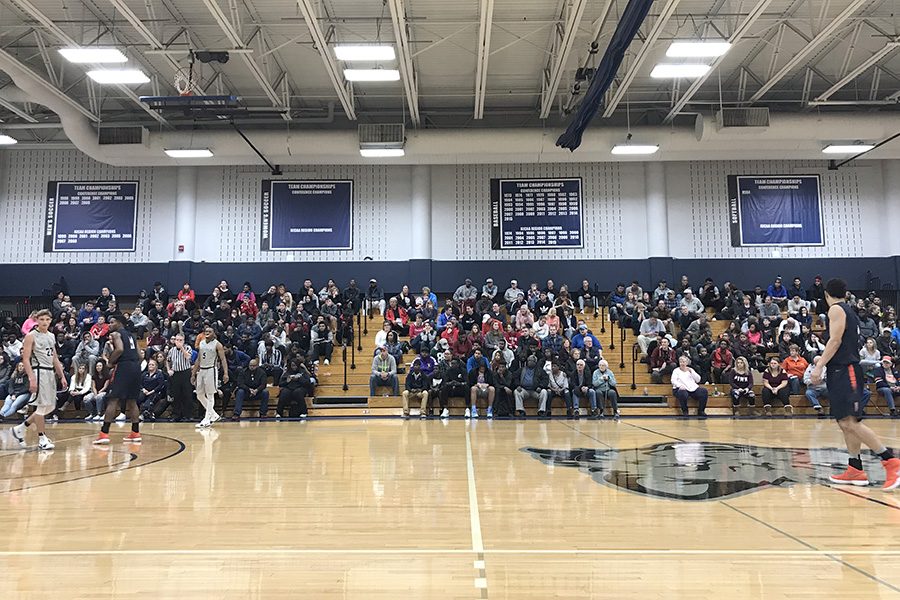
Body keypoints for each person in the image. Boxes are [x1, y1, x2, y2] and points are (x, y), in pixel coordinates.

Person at [812, 278, 900, 489]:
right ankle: (855, 468)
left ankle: (891, 462)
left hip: (846, 370)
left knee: (852, 423)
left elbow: (835, 340)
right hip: (840, 371)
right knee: (844, 423)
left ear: (826, 294)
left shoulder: (835, 310)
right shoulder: (847, 309)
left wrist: (819, 365)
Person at [10, 310, 67, 450]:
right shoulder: (31, 336)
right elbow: (25, 359)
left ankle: (21, 428)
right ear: (37, 320)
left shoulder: (51, 336)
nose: (45, 322)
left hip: (49, 372)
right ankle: (42, 438)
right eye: (42, 319)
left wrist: (62, 375)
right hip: (39, 371)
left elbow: (54, 357)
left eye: (47, 319)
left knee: (49, 406)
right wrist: (32, 378)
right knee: (41, 406)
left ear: (51, 320)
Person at [92, 315, 142, 445]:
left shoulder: (116, 334)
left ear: (119, 323)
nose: (109, 324)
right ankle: (135, 432)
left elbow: (119, 349)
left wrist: (110, 362)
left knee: (113, 399)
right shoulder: (131, 335)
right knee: (132, 400)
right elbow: (139, 354)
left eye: (112, 322)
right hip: (136, 366)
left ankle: (104, 433)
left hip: (124, 366)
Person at [191, 326, 229, 428]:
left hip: (211, 370)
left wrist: (225, 373)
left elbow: (223, 359)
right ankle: (214, 415)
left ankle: (207, 419)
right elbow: (198, 359)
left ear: (213, 333)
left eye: (209, 331)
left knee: (210, 395)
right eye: (206, 331)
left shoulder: (218, 344)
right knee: (199, 394)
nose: (207, 332)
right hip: (201, 370)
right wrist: (193, 373)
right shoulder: (202, 343)